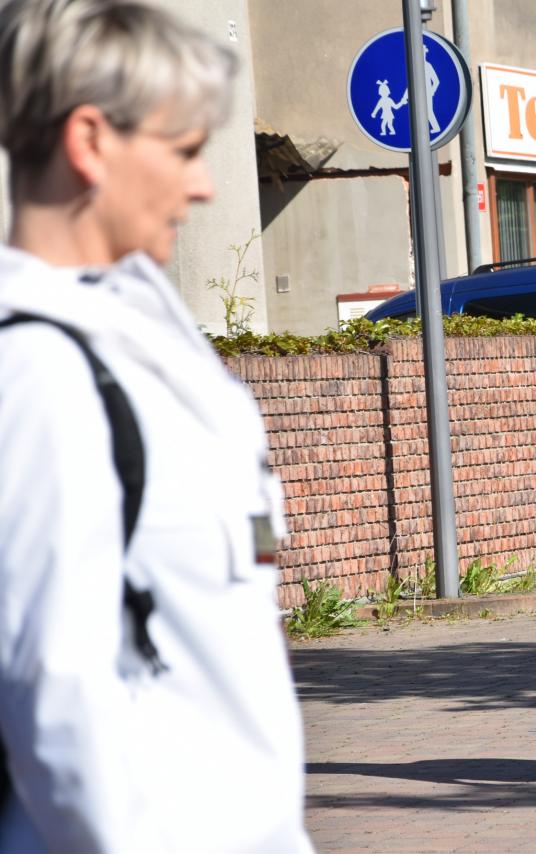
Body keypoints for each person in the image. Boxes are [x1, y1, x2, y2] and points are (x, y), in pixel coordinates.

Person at [0, 1, 311, 850]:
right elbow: (58, 695)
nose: (202, 184)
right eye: (182, 149)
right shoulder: (37, 370)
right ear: (90, 141)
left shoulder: (137, 334)